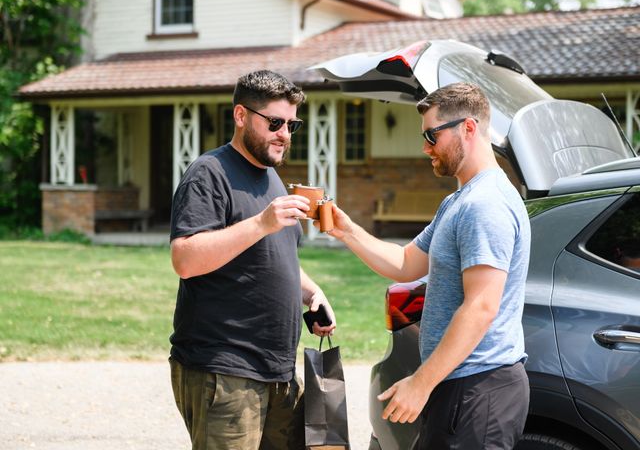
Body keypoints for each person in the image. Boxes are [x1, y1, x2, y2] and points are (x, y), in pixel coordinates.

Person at [323, 82, 531, 449]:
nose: (425, 148)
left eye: (432, 136)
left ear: (468, 128)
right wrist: (347, 231)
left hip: (478, 390)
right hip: (459, 385)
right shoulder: (457, 202)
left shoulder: (485, 205)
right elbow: (405, 263)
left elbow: (481, 307)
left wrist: (421, 383)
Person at [168, 69, 336, 450]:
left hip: (278, 372)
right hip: (225, 371)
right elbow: (185, 259)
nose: (285, 135)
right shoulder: (209, 174)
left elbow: (275, 258)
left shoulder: (270, 178)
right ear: (241, 116)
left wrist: (312, 294)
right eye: (275, 122)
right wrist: (261, 222)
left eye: (292, 125)